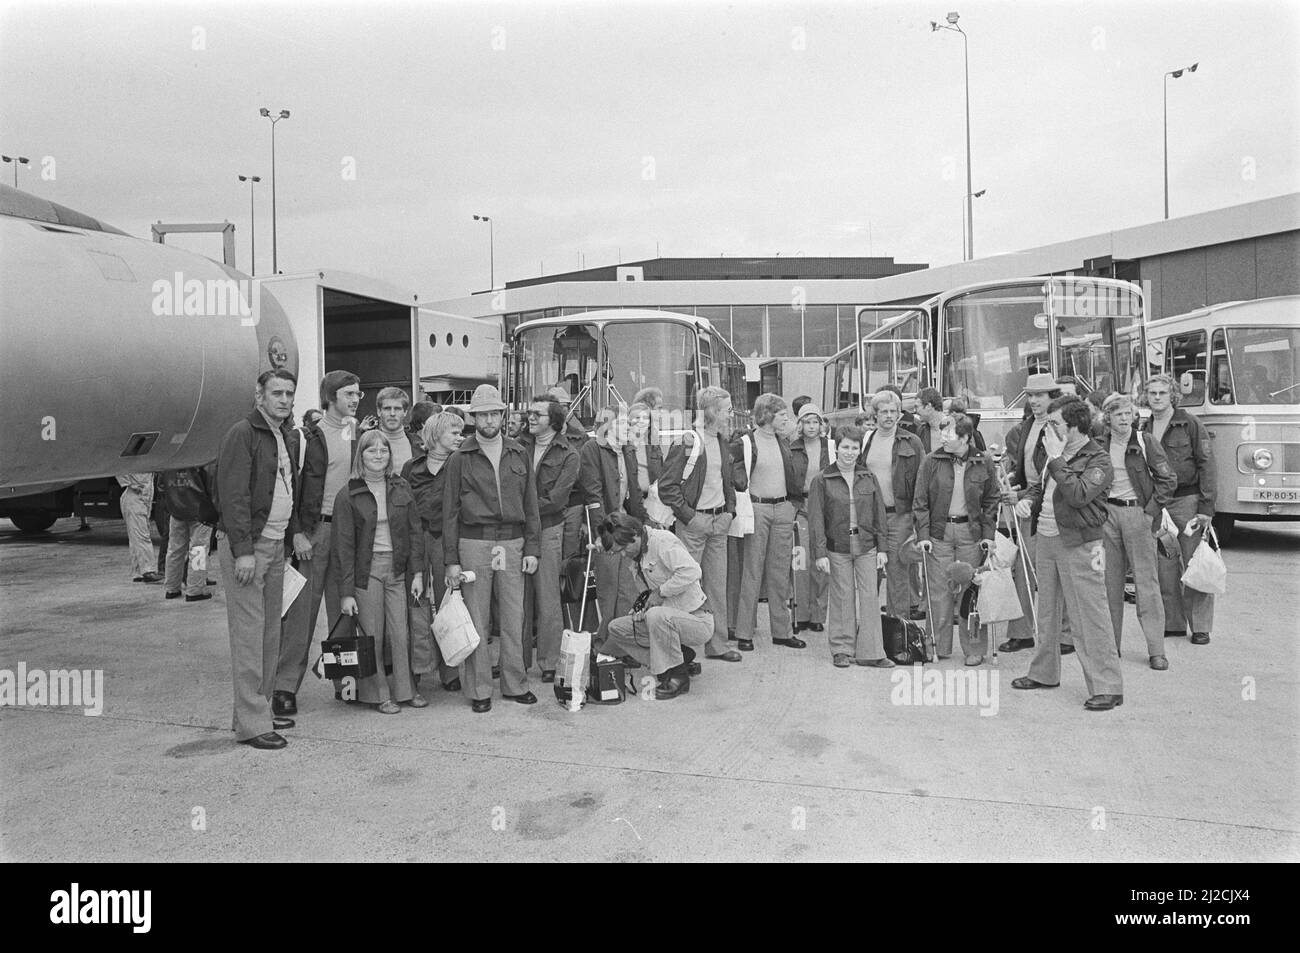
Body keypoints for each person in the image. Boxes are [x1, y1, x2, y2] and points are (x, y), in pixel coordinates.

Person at [1011, 397, 1122, 711]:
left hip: (1080, 543)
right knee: (1046, 611)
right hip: (1047, 537)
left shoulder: (1098, 460)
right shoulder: (1055, 453)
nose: (1049, 428)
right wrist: (1028, 501)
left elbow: (1078, 494)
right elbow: (1043, 486)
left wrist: (1058, 460)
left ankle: (1107, 686)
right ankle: (1044, 672)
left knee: (1090, 615)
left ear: (1074, 427)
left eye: (1056, 423)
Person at [215, 368, 303, 749]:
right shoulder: (244, 434)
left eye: (289, 393)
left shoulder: (282, 435)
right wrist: (244, 551)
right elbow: (233, 496)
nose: (283, 399)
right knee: (250, 636)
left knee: (270, 632)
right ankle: (252, 725)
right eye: (277, 393)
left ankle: (260, 709)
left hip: (276, 545)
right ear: (259, 395)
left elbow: (287, 489)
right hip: (249, 548)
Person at [443, 384, 541, 713]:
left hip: (512, 541)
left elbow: (531, 504)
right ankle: (480, 689)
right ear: (474, 417)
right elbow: (450, 512)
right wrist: (451, 561)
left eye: (494, 413)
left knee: (515, 616)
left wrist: (532, 548)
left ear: (502, 415)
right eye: (483, 414)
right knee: (477, 618)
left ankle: (515, 684)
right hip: (474, 541)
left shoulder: (518, 452)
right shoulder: (460, 458)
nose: (489, 419)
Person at [272, 370, 361, 719]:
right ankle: (284, 687)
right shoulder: (306, 437)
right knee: (301, 615)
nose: (355, 400)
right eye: (349, 394)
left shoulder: (360, 434)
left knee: (344, 612)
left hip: (347, 533)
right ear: (331, 397)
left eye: (358, 394)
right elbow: (290, 486)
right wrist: (296, 532)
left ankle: (344, 684)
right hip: (314, 533)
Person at [333, 428, 426, 713]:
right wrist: (346, 593)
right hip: (367, 572)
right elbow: (344, 548)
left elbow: (414, 532)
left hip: (397, 570)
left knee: (400, 634)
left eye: (383, 450)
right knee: (373, 635)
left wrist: (418, 573)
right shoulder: (348, 494)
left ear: (390, 455)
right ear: (360, 456)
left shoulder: (401, 487)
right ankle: (379, 695)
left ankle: (406, 690)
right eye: (371, 450)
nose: (378, 455)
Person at [657, 386, 743, 664]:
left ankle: (717, 645)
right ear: (712, 412)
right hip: (694, 524)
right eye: (727, 410)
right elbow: (667, 487)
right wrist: (690, 518)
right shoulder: (688, 441)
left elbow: (727, 482)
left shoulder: (722, 441)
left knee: (717, 587)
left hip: (720, 522)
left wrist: (730, 512)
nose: (731, 415)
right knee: (687, 589)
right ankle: (684, 652)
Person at [1098, 393, 1177, 669]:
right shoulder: (1100, 445)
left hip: (1138, 513)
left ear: (1134, 416)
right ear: (1107, 418)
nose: (1123, 419)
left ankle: (1156, 650)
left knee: (1146, 583)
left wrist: (1150, 512)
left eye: (1128, 413)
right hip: (1108, 515)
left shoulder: (1145, 442)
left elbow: (1168, 479)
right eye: (1117, 414)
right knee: (1110, 584)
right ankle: (1111, 647)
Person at [913, 414, 999, 665]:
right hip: (939, 533)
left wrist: (988, 535)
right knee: (939, 591)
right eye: (942, 433)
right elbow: (920, 501)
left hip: (969, 533)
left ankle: (974, 648)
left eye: (948, 434)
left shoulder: (983, 461)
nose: (942, 438)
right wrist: (923, 535)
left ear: (964, 438)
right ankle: (936, 645)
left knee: (970, 592)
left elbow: (991, 500)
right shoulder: (931, 461)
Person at [598, 514, 714, 699]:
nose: (623, 554)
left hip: (697, 620)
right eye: (617, 551)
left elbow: (693, 571)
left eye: (623, 548)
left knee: (656, 615)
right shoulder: (637, 557)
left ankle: (678, 677)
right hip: (667, 619)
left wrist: (660, 592)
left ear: (635, 534)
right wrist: (641, 609)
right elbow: (649, 596)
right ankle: (679, 658)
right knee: (617, 628)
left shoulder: (662, 541)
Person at [1139, 374, 1216, 645]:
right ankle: (1172, 622)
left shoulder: (1190, 424)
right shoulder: (1143, 427)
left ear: (1173, 395)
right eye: (1152, 393)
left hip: (1188, 500)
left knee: (1195, 562)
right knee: (1165, 564)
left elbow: (1207, 464)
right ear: (1146, 397)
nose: (1157, 397)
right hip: (1159, 502)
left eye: (1162, 392)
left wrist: (1206, 507)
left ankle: (1200, 627)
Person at [807, 425, 891, 668]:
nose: (850, 452)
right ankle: (842, 649)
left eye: (855, 448)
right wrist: (820, 554)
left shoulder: (868, 477)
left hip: (866, 546)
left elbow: (879, 515)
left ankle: (872, 651)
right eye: (845, 447)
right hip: (838, 547)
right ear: (836, 447)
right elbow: (816, 520)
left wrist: (882, 549)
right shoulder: (822, 480)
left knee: (869, 598)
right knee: (843, 597)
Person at [731, 393, 805, 652]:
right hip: (757, 508)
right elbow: (735, 477)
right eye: (782, 413)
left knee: (780, 573)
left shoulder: (784, 442)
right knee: (752, 571)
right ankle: (744, 631)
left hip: (783, 508)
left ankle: (782, 631)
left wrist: (792, 505)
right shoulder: (745, 442)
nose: (787, 418)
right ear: (767, 415)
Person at [402, 411, 468, 693]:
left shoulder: (461, 464)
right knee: (415, 604)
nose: (459, 437)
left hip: (445, 541)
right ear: (436, 433)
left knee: (447, 604)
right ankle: (417, 668)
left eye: (460, 432)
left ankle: (450, 671)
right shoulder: (411, 467)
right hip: (417, 541)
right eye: (453, 432)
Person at [996, 372, 1061, 653]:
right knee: (1023, 571)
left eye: (1039, 395)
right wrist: (1012, 478)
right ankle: (1022, 632)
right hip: (1026, 505)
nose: (1034, 401)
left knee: (1054, 574)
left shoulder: (1059, 427)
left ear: (1052, 397)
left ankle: (1063, 635)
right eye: (1031, 396)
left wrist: (1020, 493)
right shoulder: (1027, 426)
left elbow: (1050, 476)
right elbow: (1027, 469)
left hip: (1052, 506)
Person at [519, 398, 579, 682]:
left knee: (547, 598)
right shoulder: (516, 445)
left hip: (547, 529)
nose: (530, 416)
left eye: (536, 413)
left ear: (553, 421)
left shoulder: (569, 454)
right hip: (515, 530)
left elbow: (557, 500)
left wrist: (521, 509)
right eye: (529, 412)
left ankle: (548, 662)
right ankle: (516, 660)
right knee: (516, 599)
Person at [859, 390, 925, 619]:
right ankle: (869, 633)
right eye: (883, 411)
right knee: (869, 575)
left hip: (900, 516)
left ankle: (899, 631)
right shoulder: (864, 440)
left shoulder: (912, 442)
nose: (889, 416)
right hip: (869, 517)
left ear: (899, 413)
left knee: (898, 574)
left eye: (893, 411)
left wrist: (918, 521)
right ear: (874, 414)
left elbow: (922, 483)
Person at [579, 407, 640, 643]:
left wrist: (642, 526)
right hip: (607, 528)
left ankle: (625, 643)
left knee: (628, 589)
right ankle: (606, 644)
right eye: (624, 424)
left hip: (626, 526)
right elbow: (593, 496)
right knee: (608, 589)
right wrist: (603, 535)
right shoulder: (592, 449)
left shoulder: (628, 450)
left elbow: (633, 493)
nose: (629, 429)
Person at [789, 403, 833, 633]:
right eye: (807, 422)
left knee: (821, 561)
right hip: (800, 506)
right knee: (801, 561)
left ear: (822, 424)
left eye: (816, 422)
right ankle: (801, 614)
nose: (812, 426)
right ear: (800, 424)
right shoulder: (792, 448)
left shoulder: (831, 446)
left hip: (825, 507)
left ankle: (818, 615)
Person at [161, 465, 216, 602]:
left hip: (176, 509)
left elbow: (161, 485)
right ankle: (195, 590)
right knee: (199, 550)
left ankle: (171, 588)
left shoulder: (170, 460)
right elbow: (211, 483)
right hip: (200, 510)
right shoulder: (201, 458)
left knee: (174, 550)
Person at [621, 401, 664, 526]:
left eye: (645, 418)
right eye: (637, 417)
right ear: (628, 421)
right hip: (630, 503)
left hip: (652, 502)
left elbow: (661, 475)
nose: (641, 421)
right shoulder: (623, 446)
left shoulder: (654, 446)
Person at [117, 472, 160, 583]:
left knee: (135, 536)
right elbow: (117, 469)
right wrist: (130, 484)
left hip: (143, 497)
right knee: (142, 535)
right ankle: (148, 570)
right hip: (135, 496)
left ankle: (138, 571)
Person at [374, 386, 421, 473]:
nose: (392, 413)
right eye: (387, 408)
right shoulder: (365, 443)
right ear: (379, 411)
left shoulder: (420, 444)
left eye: (397, 409)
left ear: (405, 412)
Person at [913, 388, 946, 454]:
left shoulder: (956, 427)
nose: (915, 411)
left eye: (917, 407)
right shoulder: (921, 431)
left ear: (928, 406)